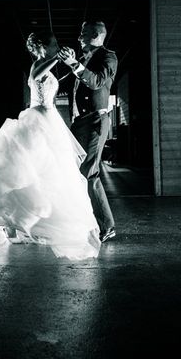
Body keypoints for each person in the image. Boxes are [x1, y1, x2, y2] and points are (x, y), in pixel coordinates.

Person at [0, 31, 101, 260]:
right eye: (54, 44)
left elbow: (50, 80)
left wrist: (66, 64)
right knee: (25, 173)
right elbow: (37, 76)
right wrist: (58, 58)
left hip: (50, 121)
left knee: (50, 174)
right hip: (37, 122)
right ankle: (11, 222)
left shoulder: (47, 67)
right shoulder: (37, 67)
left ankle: (39, 222)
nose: (57, 46)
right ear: (43, 47)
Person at [57, 21, 117, 243]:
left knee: (89, 173)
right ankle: (85, 221)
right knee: (76, 172)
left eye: (83, 33)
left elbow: (97, 81)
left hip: (95, 121)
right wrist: (71, 60)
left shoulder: (109, 57)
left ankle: (106, 226)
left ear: (95, 35)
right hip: (79, 123)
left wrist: (74, 63)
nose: (79, 36)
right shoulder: (83, 59)